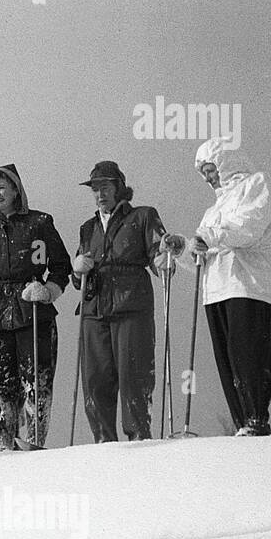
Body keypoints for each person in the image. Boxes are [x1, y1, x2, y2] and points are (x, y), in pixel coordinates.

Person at [161, 137, 271, 436]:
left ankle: (256, 419)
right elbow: (204, 256)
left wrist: (210, 237)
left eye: (211, 168)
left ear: (226, 163)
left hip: (247, 285)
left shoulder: (256, 185)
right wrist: (183, 248)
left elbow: (248, 227)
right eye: (203, 172)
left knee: (247, 353)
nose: (208, 177)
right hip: (216, 290)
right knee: (227, 359)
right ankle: (243, 422)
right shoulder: (213, 211)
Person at [0, 164, 72, 450]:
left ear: (16, 189)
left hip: (33, 308)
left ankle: (34, 441)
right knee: (1, 381)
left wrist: (49, 289)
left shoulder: (40, 222)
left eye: (2, 188)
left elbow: (61, 264)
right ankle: (3, 442)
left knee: (35, 379)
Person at [69, 161, 168, 442]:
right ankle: (103, 442)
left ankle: (138, 438)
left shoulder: (143, 216)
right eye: (95, 189)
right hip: (94, 308)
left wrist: (163, 260)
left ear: (120, 188)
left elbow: (158, 253)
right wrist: (77, 270)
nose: (100, 194)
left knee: (133, 376)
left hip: (130, 305)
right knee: (95, 380)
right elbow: (78, 281)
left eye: (106, 187)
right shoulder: (87, 228)